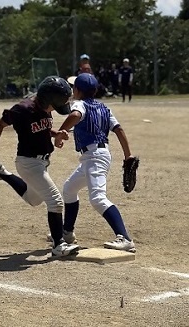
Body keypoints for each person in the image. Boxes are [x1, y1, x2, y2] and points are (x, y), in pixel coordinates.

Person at [0, 76, 79, 257]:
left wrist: (55, 133)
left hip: (42, 163)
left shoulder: (44, 107)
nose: (57, 110)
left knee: (34, 200)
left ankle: (1, 173)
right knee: (55, 201)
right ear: (48, 101)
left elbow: (39, 128)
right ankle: (59, 245)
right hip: (28, 163)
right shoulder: (23, 109)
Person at [54, 73, 136, 252]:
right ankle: (67, 233)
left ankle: (125, 238)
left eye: (74, 87)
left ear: (78, 91)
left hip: (94, 157)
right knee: (69, 189)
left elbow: (75, 114)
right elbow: (119, 129)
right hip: (96, 155)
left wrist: (61, 132)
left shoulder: (79, 104)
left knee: (98, 198)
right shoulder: (104, 108)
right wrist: (127, 155)